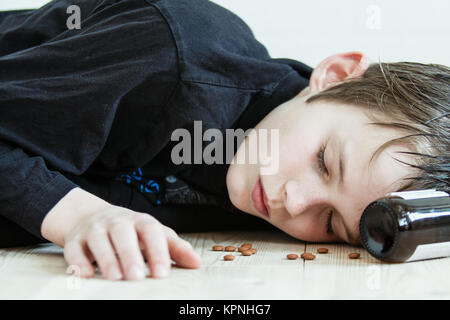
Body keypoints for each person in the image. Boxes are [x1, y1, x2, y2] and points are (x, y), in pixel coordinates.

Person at [0, 0, 448, 281]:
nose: (294, 203)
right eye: (325, 162)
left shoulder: (276, 187)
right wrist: (80, 214)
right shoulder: (171, 58)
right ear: (334, 77)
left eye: (331, 223)